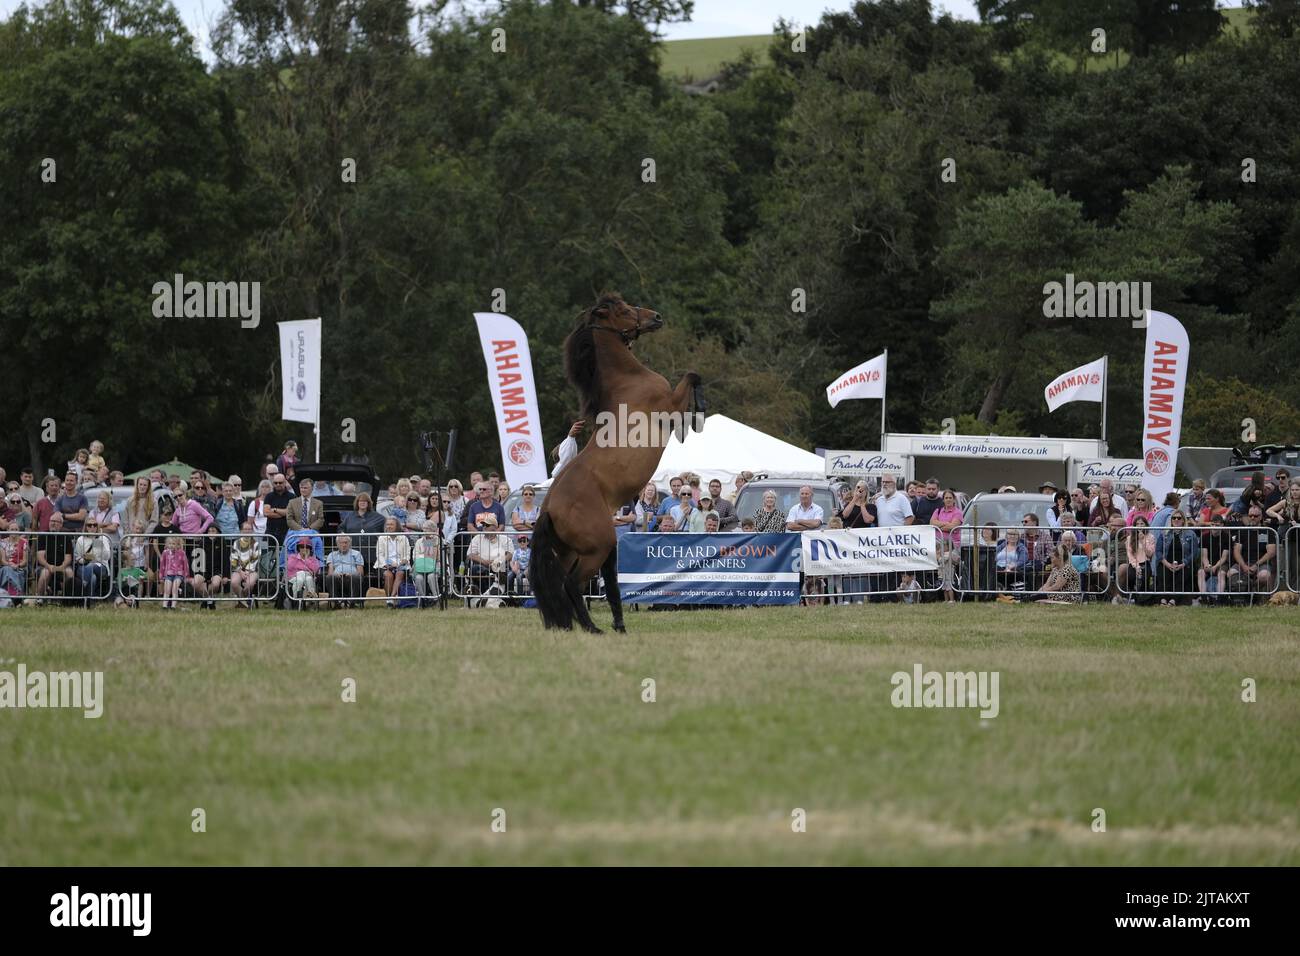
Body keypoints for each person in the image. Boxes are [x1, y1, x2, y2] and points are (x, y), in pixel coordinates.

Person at [1230, 506, 1276, 597]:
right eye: (1250, 515)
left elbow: (1271, 552)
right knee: (1231, 573)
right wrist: (1244, 566)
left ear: (1261, 517)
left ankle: (1253, 590)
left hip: (1261, 563)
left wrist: (1256, 565)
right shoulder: (1242, 531)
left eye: (1255, 516)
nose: (1252, 518)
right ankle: (1237, 597)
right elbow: (1236, 551)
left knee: (1264, 576)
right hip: (1244, 562)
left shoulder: (1268, 531)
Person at [1156, 511, 1197, 606]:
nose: (1176, 520)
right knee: (1163, 575)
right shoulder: (1164, 533)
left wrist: (1183, 564)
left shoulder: (1190, 534)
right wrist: (1166, 563)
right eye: (1174, 518)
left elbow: (1194, 552)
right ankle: (1163, 599)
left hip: (1184, 563)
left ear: (1183, 520)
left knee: (1181, 577)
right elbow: (1158, 551)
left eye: (1179, 518)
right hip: (1166, 562)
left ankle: (1174, 600)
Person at [930, 489, 963, 604]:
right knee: (943, 569)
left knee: (947, 565)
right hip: (939, 545)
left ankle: (952, 599)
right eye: (946, 498)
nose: (948, 500)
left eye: (950, 498)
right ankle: (945, 598)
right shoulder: (938, 511)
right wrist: (947, 525)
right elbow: (932, 522)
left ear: (954, 499)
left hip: (953, 547)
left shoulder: (958, 512)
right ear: (943, 500)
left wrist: (941, 525)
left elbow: (953, 526)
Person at [374, 516, 411, 606]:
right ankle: (390, 598)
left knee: (400, 573)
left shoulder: (403, 538)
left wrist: (400, 563)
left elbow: (407, 554)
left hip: (401, 564)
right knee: (388, 575)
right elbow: (380, 554)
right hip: (384, 565)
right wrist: (386, 564)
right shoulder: (382, 538)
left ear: (397, 526)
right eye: (387, 524)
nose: (389, 526)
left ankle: (391, 598)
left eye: (391, 524)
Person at [1119, 515, 1156, 603]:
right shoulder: (1129, 538)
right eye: (1137, 524)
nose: (1139, 526)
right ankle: (1133, 597)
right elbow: (1130, 554)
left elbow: (1150, 554)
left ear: (1146, 525)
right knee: (1131, 576)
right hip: (1134, 563)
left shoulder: (1151, 537)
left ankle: (1142, 599)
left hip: (1146, 562)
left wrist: (1143, 540)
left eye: (1142, 523)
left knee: (1145, 578)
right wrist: (1136, 566)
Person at [74, 518, 113, 601]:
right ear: (86, 527)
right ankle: (89, 601)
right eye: (89, 525)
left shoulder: (103, 538)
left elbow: (107, 557)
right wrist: (84, 560)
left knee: (92, 565)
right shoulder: (81, 539)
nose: (92, 527)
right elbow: (77, 557)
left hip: (101, 566)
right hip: (84, 565)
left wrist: (99, 544)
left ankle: (84, 584)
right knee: (93, 578)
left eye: (95, 525)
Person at [1198, 513, 1232, 601]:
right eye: (1212, 524)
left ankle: (1218, 598)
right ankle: (1204, 598)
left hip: (1221, 563)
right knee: (1201, 572)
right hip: (1209, 562)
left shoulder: (1226, 537)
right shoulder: (1204, 537)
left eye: (1217, 525)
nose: (1214, 527)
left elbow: (1224, 557)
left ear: (1222, 525)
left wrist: (1215, 567)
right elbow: (1204, 555)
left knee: (1221, 574)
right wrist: (1207, 565)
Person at [326, 534, 366, 608]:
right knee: (330, 577)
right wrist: (335, 575)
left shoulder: (357, 554)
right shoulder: (332, 555)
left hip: (352, 578)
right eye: (341, 543)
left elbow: (360, 572)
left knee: (356, 577)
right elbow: (330, 572)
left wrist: (351, 574)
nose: (344, 545)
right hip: (337, 578)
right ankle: (337, 602)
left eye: (346, 542)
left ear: (350, 543)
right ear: (337, 544)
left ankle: (351, 602)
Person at [229, 522, 262, 609]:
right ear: (241, 531)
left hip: (252, 570)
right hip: (238, 570)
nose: (247, 531)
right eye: (245, 529)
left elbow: (256, 559)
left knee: (249, 584)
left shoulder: (256, 544)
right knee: (234, 583)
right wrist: (240, 571)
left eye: (249, 529)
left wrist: (247, 571)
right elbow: (233, 558)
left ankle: (241, 601)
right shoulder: (236, 543)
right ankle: (245, 601)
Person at [158, 535, 190, 609]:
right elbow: (162, 565)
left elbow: (185, 564)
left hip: (178, 574)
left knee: (174, 589)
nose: (171, 545)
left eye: (173, 544)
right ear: (167, 544)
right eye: (170, 543)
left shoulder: (182, 553)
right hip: (168, 574)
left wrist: (186, 576)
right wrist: (161, 576)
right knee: (167, 589)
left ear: (178, 544)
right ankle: (164, 606)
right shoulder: (165, 552)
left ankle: (173, 606)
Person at [286, 538, 321, 604]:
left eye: (307, 547)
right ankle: (312, 598)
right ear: (298, 548)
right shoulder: (292, 557)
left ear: (310, 549)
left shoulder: (313, 559)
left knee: (308, 578)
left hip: (307, 578)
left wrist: (306, 559)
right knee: (301, 575)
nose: (304, 549)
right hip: (293, 577)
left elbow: (315, 570)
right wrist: (304, 567)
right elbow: (289, 566)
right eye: (302, 547)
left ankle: (298, 601)